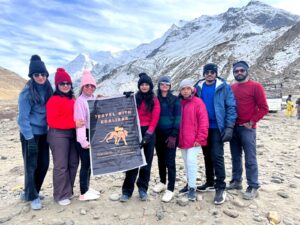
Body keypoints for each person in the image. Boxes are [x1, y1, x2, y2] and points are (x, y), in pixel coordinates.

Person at [195, 63, 236, 205]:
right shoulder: (198, 87)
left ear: (216, 73)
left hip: (217, 127)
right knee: (207, 155)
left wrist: (229, 126)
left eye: (212, 72)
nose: (209, 74)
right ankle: (210, 182)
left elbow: (231, 106)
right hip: (203, 127)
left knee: (217, 156)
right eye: (207, 72)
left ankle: (220, 187)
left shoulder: (224, 87)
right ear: (203, 73)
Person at [228, 61, 269, 200]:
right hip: (234, 128)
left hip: (248, 128)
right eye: (236, 71)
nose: (239, 73)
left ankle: (253, 185)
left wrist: (252, 122)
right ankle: (236, 181)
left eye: (241, 70)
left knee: (250, 158)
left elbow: (264, 107)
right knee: (235, 156)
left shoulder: (255, 86)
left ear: (246, 71)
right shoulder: (231, 87)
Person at [18, 55, 53, 210]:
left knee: (44, 164)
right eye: (37, 75)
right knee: (31, 166)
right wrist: (30, 139)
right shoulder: (26, 92)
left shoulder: (48, 88)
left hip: (44, 133)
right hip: (30, 134)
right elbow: (22, 119)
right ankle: (32, 196)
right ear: (32, 76)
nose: (40, 77)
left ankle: (32, 191)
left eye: (43, 74)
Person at [120, 73, 161, 202]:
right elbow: (124, 110)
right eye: (142, 84)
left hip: (149, 131)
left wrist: (149, 134)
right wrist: (125, 98)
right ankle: (127, 191)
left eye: (146, 84)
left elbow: (155, 117)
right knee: (132, 162)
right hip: (134, 131)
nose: (144, 86)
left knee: (146, 163)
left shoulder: (154, 99)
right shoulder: (134, 97)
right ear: (139, 86)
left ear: (150, 86)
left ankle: (143, 189)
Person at [46, 68, 79, 206]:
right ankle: (60, 195)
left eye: (68, 83)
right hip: (58, 134)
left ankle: (68, 190)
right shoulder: (53, 100)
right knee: (61, 166)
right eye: (62, 83)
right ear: (57, 85)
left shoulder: (73, 99)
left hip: (72, 133)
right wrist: (74, 123)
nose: (65, 85)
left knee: (73, 162)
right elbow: (52, 121)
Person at [178, 79, 209, 201]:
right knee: (186, 162)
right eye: (183, 89)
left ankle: (192, 188)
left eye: (187, 89)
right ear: (180, 91)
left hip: (194, 139)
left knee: (191, 161)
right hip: (183, 139)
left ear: (192, 89)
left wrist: (200, 138)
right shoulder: (179, 103)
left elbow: (203, 121)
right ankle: (188, 183)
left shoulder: (198, 102)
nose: (185, 91)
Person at [153, 76, 181, 202]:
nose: (164, 86)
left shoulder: (175, 100)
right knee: (161, 159)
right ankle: (162, 182)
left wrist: (174, 135)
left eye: (167, 84)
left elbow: (178, 118)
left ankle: (170, 189)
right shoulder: (155, 99)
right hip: (158, 134)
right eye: (162, 84)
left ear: (170, 86)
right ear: (159, 86)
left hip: (170, 135)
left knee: (170, 162)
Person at [74, 70, 100, 201]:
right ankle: (83, 192)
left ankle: (87, 187)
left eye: (92, 85)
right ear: (82, 87)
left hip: (92, 134)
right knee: (85, 164)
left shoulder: (92, 98)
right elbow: (80, 123)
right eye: (86, 85)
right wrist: (83, 141)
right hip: (84, 136)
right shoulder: (80, 101)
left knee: (90, 163)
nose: (89, 88)